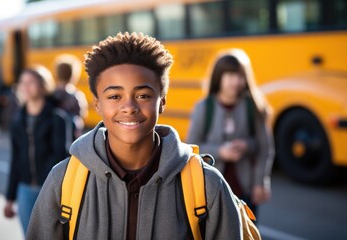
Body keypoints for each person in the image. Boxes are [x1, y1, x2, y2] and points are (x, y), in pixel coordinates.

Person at [27, 32, 242, 239]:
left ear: (162, 102)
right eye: (114, 96)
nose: (129, 107)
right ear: (97, 104)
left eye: (143, 95)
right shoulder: (63, 180)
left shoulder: (207, 184)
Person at [187, 49, 275, 217]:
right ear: (218, 77)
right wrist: (220, 152)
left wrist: (260, 182)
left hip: (245, 191)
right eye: (230, 76)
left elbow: (265, 147)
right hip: (210, 192)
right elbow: (191, 148)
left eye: (240, 76)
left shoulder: (254, 106)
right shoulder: (204, 108)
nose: (236, 81)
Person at [4, 65, 69, 235]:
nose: (25, 86)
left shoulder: (58, 118)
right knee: (29, 235)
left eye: (31, 82)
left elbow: (61, 157)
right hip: (24, 189)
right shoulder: (18, 120)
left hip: (50, 189)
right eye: (22, 82)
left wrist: (57, 191)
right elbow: (15, 160)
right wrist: (10, 198)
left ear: (43, 85)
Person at [53, 54, 88, 138]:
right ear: (73, 75)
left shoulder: (52, 93)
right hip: (71, 135)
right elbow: (82, 115)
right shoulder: (76, 95)